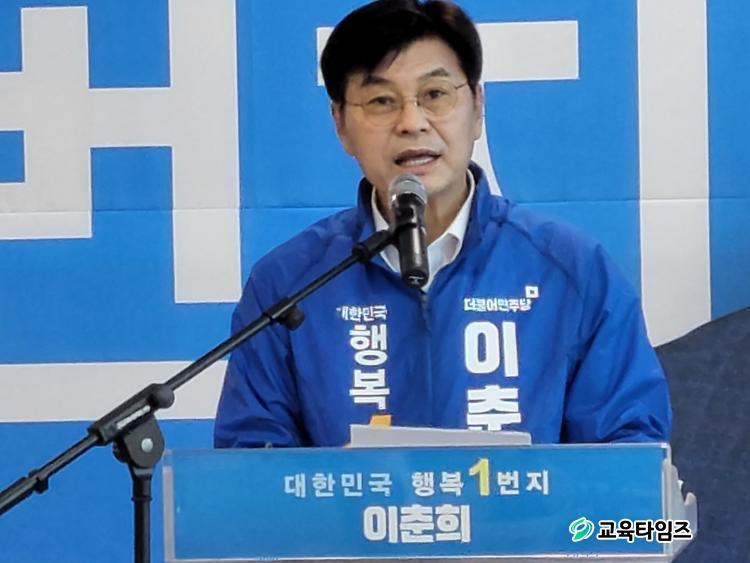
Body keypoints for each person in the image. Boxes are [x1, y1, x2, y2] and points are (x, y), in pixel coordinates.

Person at [214, 0, 671, 448]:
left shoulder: (572, 271)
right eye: (381, 101)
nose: (412, 123)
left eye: (435, 95)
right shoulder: (289, 284)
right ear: (341, 124)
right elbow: (250, 464)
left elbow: (630, 457)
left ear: (477, 106)